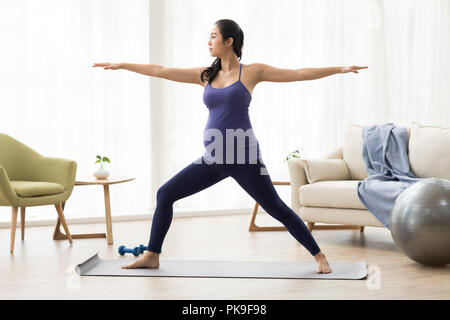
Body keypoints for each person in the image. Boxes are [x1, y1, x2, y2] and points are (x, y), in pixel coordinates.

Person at [92, 19, 368, 274]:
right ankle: (152, 254)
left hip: (245, 157)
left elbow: (297, 73)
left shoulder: (251, 72)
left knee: (277, 209)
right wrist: (123, 65)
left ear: (229, 41)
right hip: (213, 158)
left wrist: (339, 69)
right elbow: (162, 71)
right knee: (166, 194)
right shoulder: (206, 75)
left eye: (213, 36)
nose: (208, 41)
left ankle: (320, 257)